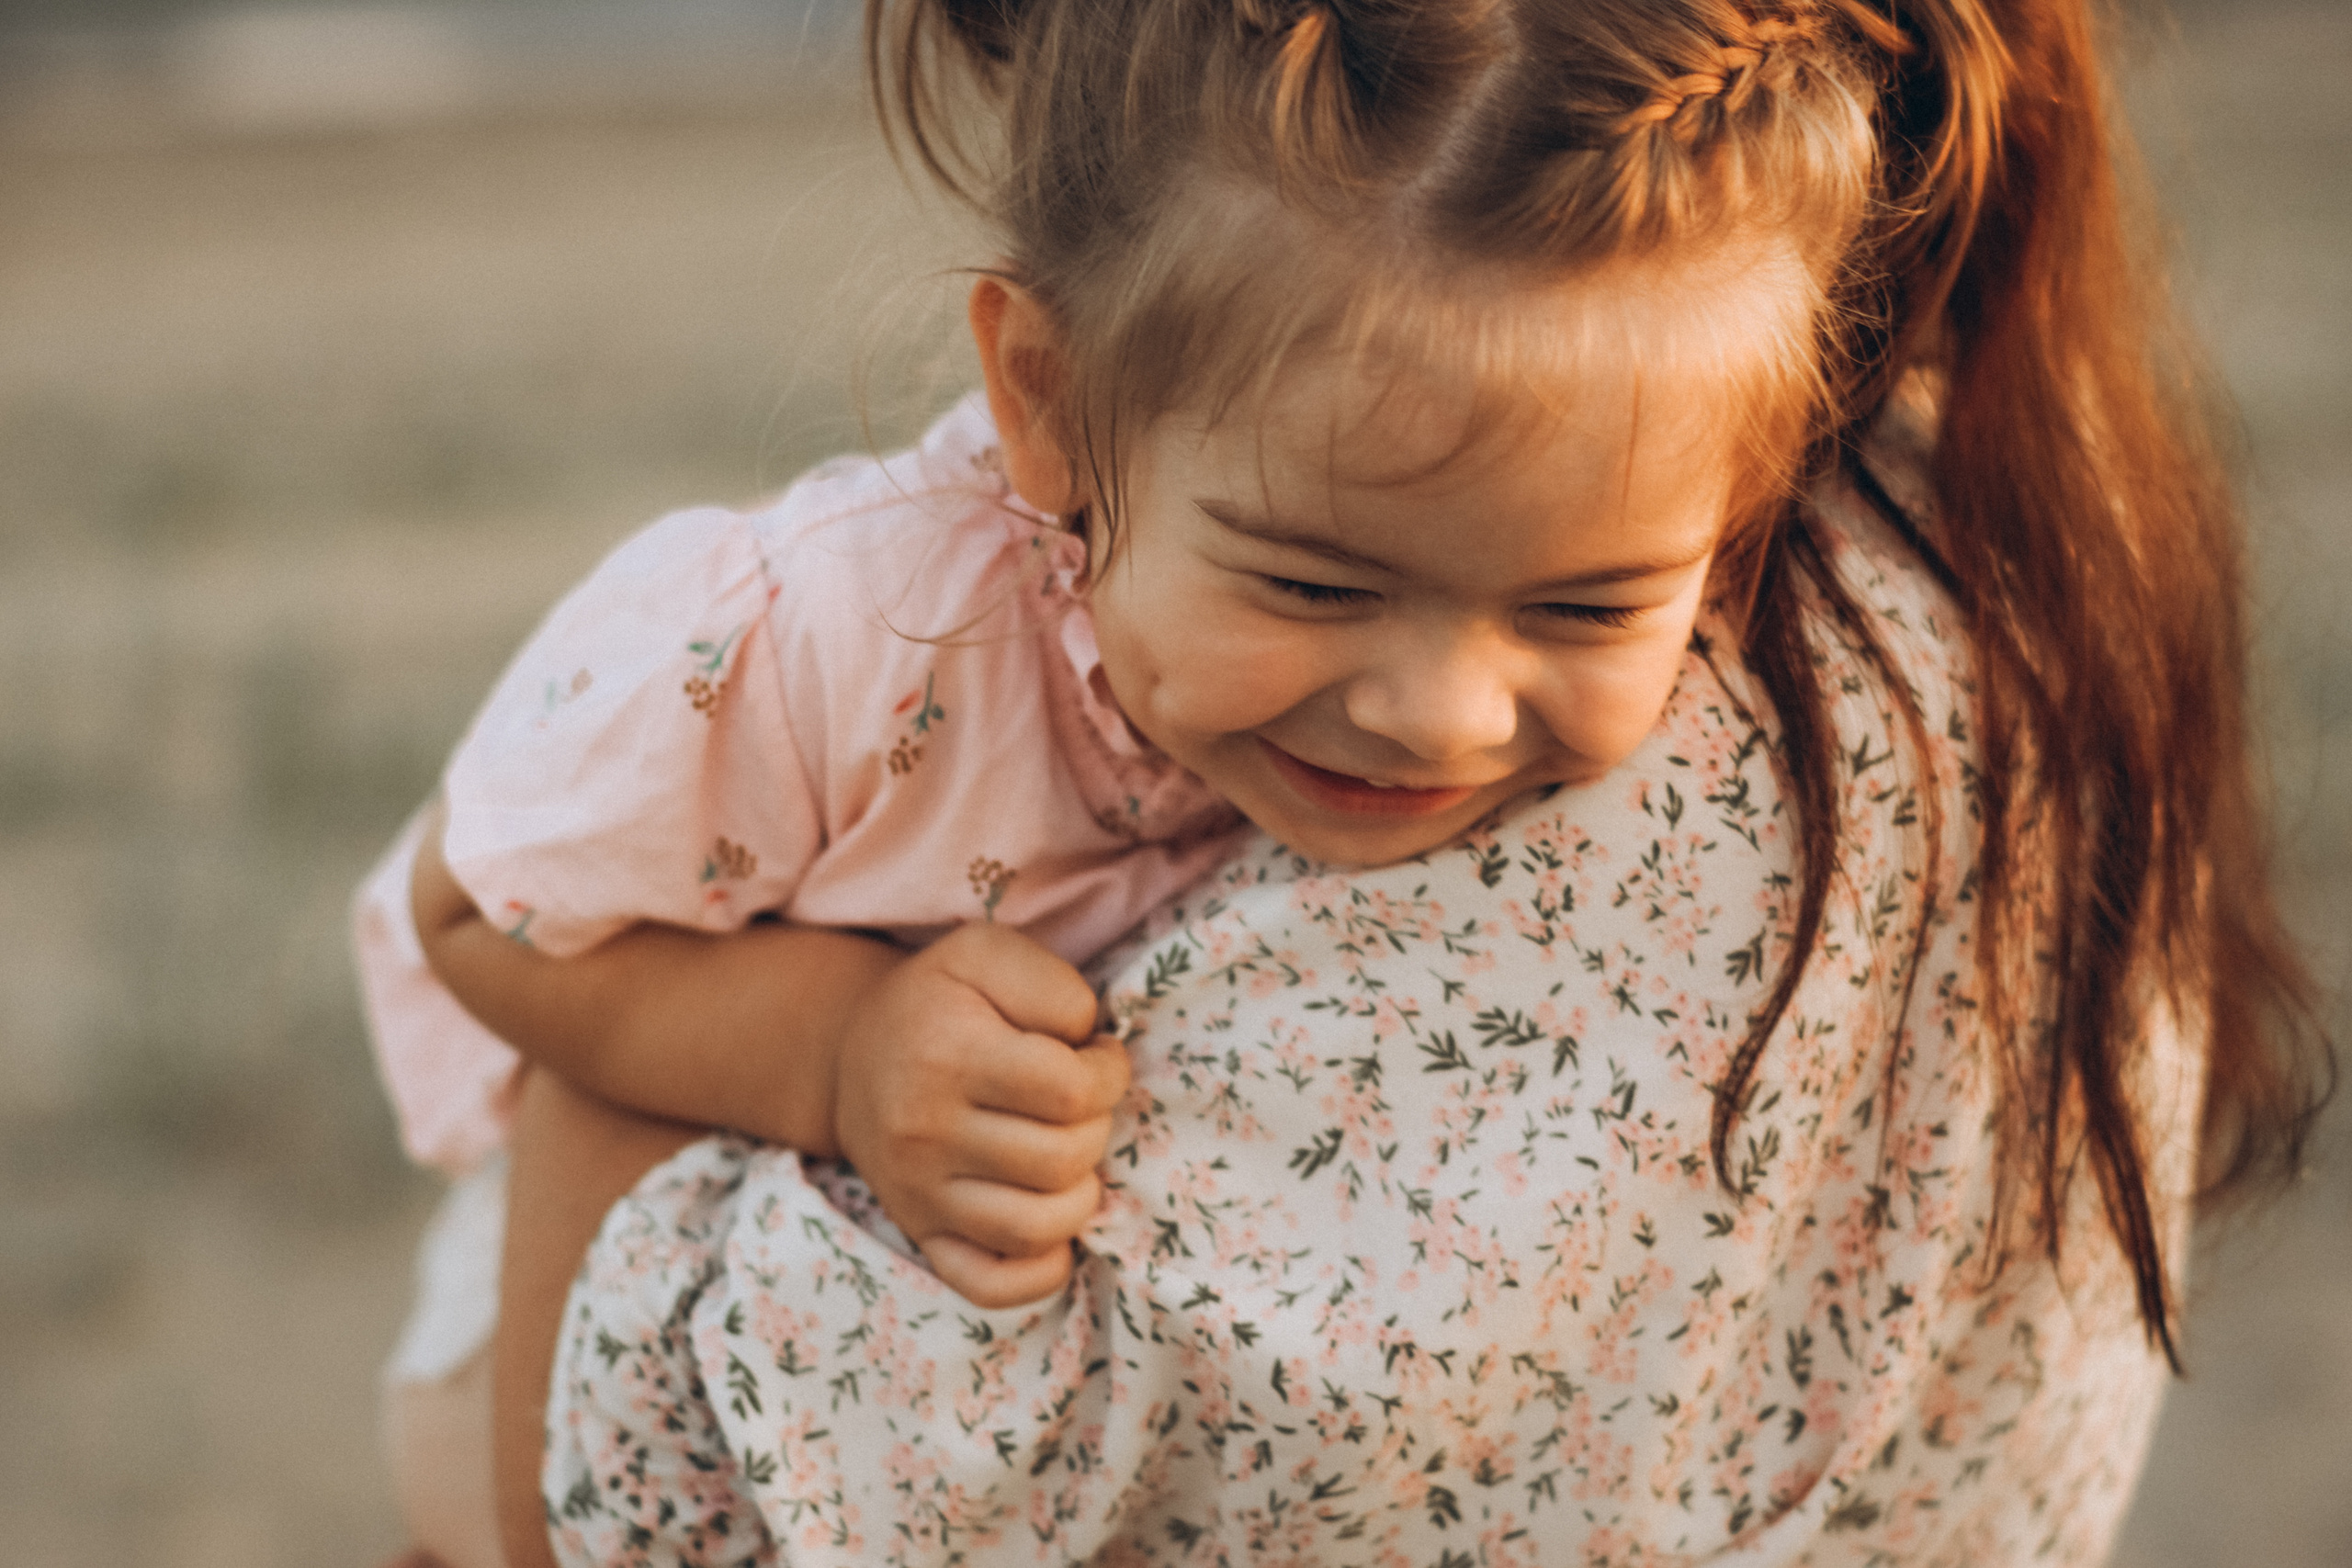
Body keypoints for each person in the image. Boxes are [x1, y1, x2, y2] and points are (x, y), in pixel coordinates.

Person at [353, 0, 2332, 1563]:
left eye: (1582, 600)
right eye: (1312, 579)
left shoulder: (1803, 602)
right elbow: (482, 907)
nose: (1441, 718)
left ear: (1740, 511)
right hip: (543, 1280)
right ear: (1045, 409)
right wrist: (837, 1047)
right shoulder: (828, 635)